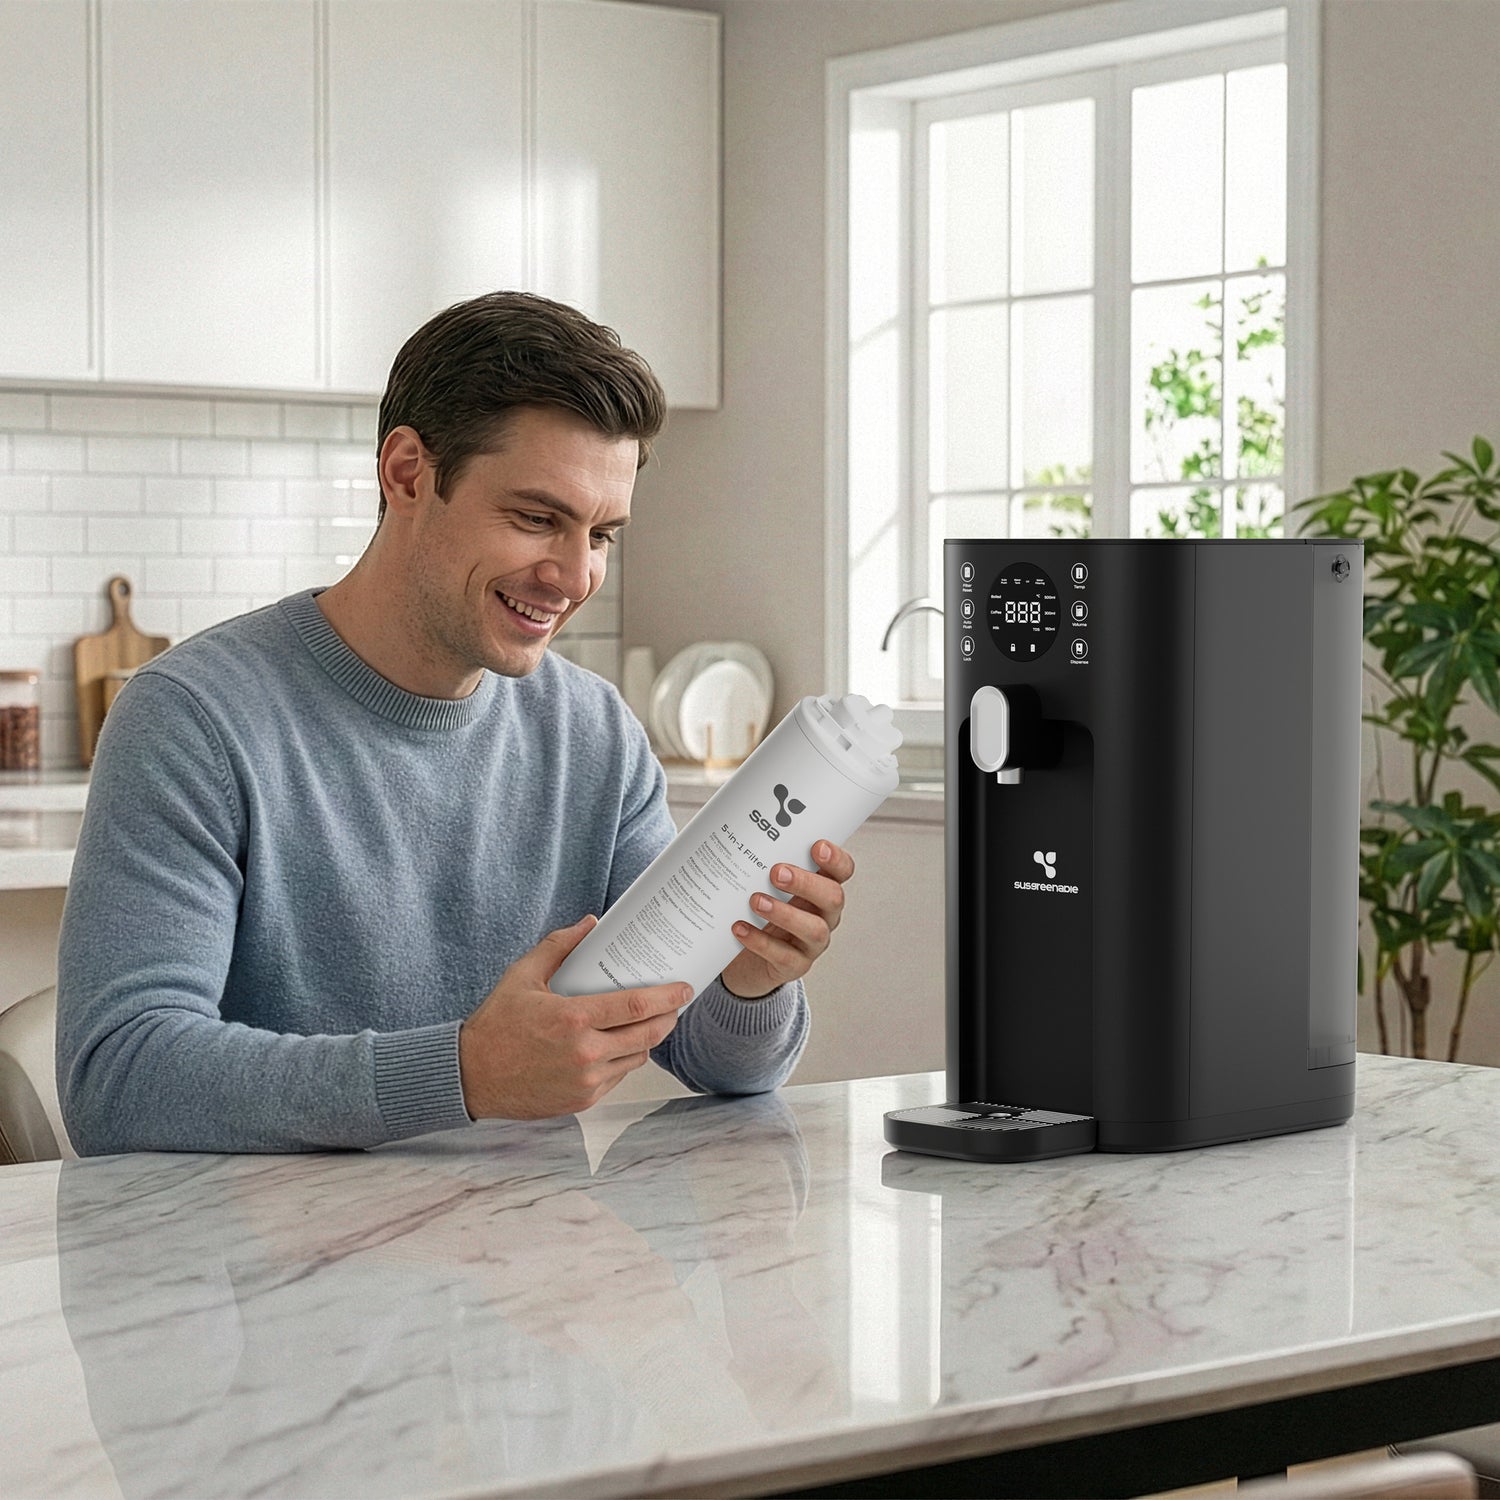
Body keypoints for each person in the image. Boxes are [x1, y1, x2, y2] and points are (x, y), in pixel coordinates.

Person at [56, 291, 856, 1155]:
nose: (574, 574)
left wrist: (748, 979)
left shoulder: (594, 737)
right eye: (536, 517)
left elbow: (711, 1058)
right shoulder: (193, 721)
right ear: (407, 475)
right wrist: (461, 1075)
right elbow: (120, 1080)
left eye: (602, 534)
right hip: (268, 1274)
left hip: (533, 1266)